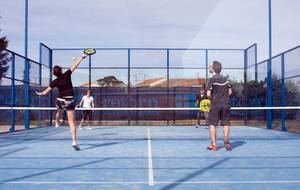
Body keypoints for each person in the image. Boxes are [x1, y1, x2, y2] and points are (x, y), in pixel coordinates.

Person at [36, 53, 88, 151]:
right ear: (61, 71)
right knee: (71, 122)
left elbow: (45, 92)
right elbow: (75, 65)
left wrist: (40, 94)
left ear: (54, 73)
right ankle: (74, 142)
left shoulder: (54, 81)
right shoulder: (67, 74)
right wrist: (82, 57)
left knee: (59, 110)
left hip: (60, 100)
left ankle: (57, 122)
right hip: (69, 100)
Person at [206, 61, 232, 151]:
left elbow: (208, 94)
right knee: (226, 123)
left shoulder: (211, 79)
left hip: (215, 104)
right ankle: (226, 141)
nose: (209, 68)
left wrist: (213, 98)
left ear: (212, 68)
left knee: (212, 124)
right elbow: (230, 92)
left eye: (209, 66)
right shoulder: (225, 79)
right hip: (226, 104)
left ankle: (213, 145)